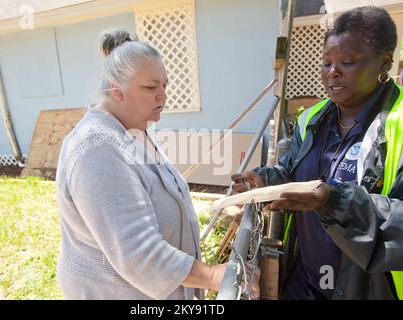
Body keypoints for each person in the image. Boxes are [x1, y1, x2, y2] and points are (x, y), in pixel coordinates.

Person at [232, 6, 403, 300]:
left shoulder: (398, 123)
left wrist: (333, 200)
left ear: (384, 64)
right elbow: (291, 169)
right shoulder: (311, 119)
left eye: (347, 62)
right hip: (303, 282)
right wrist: (265, 181)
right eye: (326, 63)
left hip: (368, 289)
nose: (332, 72)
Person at [55, 29, 228, 299]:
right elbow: (139, 252)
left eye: (165, 86)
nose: (163, 97)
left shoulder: (134, 131)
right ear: (116, 90)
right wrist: (213, 276)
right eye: (150, 87)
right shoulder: (99, 149)